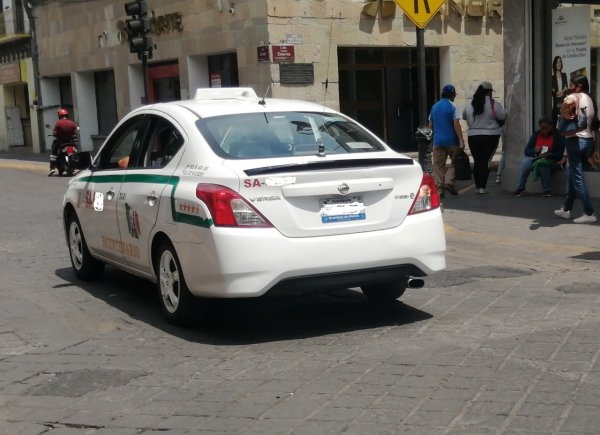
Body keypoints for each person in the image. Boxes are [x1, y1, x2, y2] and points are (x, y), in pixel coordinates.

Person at [554, 74, 597, 224]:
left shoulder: (574, 96)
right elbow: (595, 126)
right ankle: (566, 209)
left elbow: (568, 102)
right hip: (588, 141)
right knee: (573, 175)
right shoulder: (591, 99)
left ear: (578, 86)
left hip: (576, 141)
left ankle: (589, 212)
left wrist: (564, 109)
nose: (569, 86)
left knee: (577, 177)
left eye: (571, 84)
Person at [462, 81, 506, 194]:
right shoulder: (493, 104)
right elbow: (503, 115)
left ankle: (478, 186)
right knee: (485, 161)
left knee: (477, 161)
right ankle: (482, 187)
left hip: (473, 136)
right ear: (489, 92)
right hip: (491, 136)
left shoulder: (470, 104)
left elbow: (464, 115)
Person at [427, 84, 465, 197]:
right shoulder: (453, 106)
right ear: (452, 95)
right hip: (452, 141)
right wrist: (461, 141)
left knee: (438, 165)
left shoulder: (434, 107)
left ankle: (439, 189)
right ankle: (449, 182)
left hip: (438, 141)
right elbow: (456, 124)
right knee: (454, 162)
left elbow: (430, 125)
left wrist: (430, 139)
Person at [513, 117, 564, 197]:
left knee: (542, 164)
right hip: (537, 157)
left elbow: (560, 153)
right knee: (525, 162)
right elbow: (526, 151)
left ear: (552, 127)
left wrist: (549, 155)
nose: (544, 131)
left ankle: (547, 189)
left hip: (552, 160)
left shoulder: (558, 136)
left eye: (546, 128)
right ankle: (520, 187)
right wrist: (534, 150)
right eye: (542, 128)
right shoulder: (536, 134)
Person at [49, 108, 78, 176]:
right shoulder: (72, 123)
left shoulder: (58, 123)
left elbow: (55, 133)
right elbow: (76, 132)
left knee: (54, 153)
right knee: (75, 152)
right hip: (71, 142)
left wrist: (55, 134)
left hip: (61, 142)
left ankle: (52, 168)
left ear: (59, 116)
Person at [551, 56, 569, 124]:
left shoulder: (564, 75)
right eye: (557, 62)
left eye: (560, 62)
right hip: (556, 105)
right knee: (554, 125)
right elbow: (555, 94)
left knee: (563, 126)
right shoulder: (552, 78)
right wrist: (563, 90)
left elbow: (566, 89)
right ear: (554, 64)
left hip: (563, 105)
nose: (559, 64)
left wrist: (561, 92)